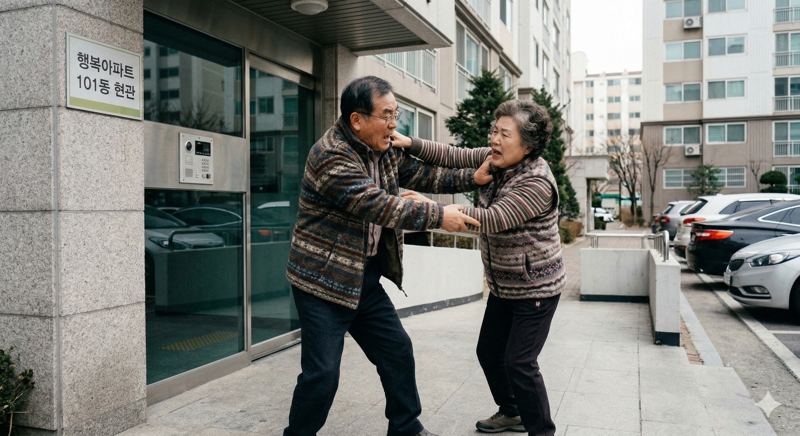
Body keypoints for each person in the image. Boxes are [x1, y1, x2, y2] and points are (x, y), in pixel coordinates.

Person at [284, 76, 492, 436]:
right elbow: (376, 204)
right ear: (357, 120)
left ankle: (405, 427)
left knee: (397, 350)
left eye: (396, 114)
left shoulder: (382, 149)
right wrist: (441, 216)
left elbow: (421, 173)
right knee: (322, 374)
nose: (394, 124)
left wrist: (471, 177)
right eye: (387, 115)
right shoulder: (330, 154)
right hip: (321, 282)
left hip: (361, 279)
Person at [391, 99, 565, 436]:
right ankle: (513, 412)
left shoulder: (537, 182)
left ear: (527, 144)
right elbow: (453, 154)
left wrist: (432, 208)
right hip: (504, 285)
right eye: (494, 131)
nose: (495, 140)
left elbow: (491, 220)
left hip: (536, 288)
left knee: (520, 363)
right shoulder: (498, 159)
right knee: (489, 352)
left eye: (505, 134)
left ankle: (542, 432)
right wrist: (410, 142)